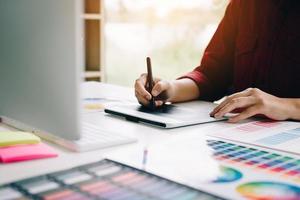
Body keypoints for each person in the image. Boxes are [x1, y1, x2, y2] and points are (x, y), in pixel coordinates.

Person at [134, 0, 300, 123]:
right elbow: (212, 75)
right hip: (238, 132)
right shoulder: (242, 5)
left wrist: (289, 106)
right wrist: (169, 89)